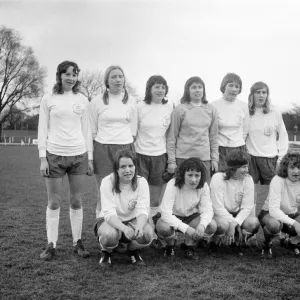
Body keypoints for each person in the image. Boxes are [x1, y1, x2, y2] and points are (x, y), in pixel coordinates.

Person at [38, 61, 93, 260]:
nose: (71, 78)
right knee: (54, 202)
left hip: (78, 155)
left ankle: (77, 242)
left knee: (76, 201)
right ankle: (51, 244)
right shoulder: (48, 98)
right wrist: (43, 157)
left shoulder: (83, 100)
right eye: (67, 74)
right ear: (59, 76)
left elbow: (87, 130)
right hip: (54, 155)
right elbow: (42, 128)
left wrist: (90, 157)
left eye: (74, 74)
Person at [89, 65, 137, 217]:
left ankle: (123, 225)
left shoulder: (132, 101)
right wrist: (90, 157)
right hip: (103, 149)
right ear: (107, 82)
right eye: (114, 77)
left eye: (120, 76)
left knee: (125, 191)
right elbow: (91, 131)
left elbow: (134, 130)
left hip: (126, 149)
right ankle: (102, 225)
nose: (118, 80)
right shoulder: (97, 102)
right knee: (104, 191)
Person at [94, 149, 155, 268]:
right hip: (110, 220)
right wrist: (124, 229)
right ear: (116, 169)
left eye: (130, 166)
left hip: (132, 219)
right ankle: (106, 251)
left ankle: (132, 250)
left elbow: (143, 209)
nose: (127, 170)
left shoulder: (141, 182)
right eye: (123, 167)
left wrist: (139, 226)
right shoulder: (107, 182)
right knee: (109, 235)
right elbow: (108, 213)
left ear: (135, 167)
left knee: (148, 234)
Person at [155, 157, 217, 260]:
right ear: (183, 174)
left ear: (201, 176)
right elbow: (166, 214)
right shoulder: (173, 184)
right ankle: (170, 245)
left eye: (197, 175)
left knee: (211, 225)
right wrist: (187, 229)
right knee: (164, 228)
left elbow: (207, 209)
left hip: (190, 216)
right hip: (171, 216)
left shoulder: (203, 185)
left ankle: (189, 246)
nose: (193, 179)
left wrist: (201, 226)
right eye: (190, 175)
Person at [246, 81, 288, 214]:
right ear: (252, 95)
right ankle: (250, 227)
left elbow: (283, 135)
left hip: (270, 159)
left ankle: (273, 226)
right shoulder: (247, 112)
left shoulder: (274, 112)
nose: (261, 95)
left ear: (267, 95)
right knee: (249, 192)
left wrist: (280, 159)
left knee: (273, 193)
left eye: (264, 92)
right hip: (250, 158)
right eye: (257, 92)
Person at [135, 75, 173, 220]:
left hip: (160, 157)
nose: (160, 90)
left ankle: (152, 232)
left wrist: (170, 160)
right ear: (149, 89)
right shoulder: (140, 107)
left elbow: (170, 136)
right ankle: (141, 230)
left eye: (163, 87)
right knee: (140, 197)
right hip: (140, 156)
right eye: (157, 86)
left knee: (155, 199)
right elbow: (133, 133)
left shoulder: (169, 108)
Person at [167, 76, 218, 183]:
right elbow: (172, 137)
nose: (197, 90)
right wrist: (171, 161)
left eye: (200, 87)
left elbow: (214, 137)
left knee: (203, 191)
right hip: (183, 158)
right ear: (187, 90)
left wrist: (214, 159)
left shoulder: (211, 109)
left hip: (204, 159)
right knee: (181, 191)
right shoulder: (179, 109)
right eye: (194, 87)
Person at [209, 150, 259, 255]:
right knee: (222, 225)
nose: (247, 170)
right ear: (233, 168)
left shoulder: (248, 179)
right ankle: (213, 242)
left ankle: (236, 242)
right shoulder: (218, 178)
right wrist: (233, 224)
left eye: (247, 166)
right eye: (243, 167)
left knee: (253, 223)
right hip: (219, 214)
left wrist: (234, 223)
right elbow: (217, 207)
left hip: (237, 213)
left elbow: (247, 207)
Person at [258, 152, 300, 258]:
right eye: (292, 167)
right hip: (269, 214)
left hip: (292, 214)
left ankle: (292, 242)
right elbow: (274, 211)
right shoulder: (278, 180)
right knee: (274, 225)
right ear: (286, 168)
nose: (296, 171)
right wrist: (295, 224)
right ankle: (267, 244)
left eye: (299, 167)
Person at [211, 73, 249, 171]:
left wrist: (236, 142)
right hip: (220, 149)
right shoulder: (214, 105)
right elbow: (211, 131)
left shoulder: (244, 106)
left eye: (237, 86)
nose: (234, 89)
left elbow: (245, 130)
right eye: (230, 85)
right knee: (221, 178)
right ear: (224, 86)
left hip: (238, 148)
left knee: (237, 178)